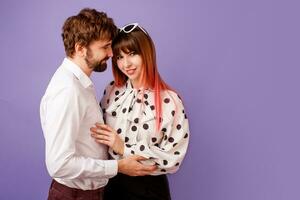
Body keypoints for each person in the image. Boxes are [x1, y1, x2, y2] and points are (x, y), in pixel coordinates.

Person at [40, 10, 156, 200]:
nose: (111, 54)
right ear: (80, 48)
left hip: (90, 192)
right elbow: (59, 164)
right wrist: (118, 167)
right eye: (105, 47)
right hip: (76, 195)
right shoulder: (68, 91)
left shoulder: (80, 84)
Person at [90, 22, 190, 200]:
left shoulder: (171, 101)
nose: (125, 63)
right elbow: (98, 140)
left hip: (150, 190)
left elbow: (173, 158)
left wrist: (123, 147)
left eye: (132, 54)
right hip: (112, 185)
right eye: (119, 57)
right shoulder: (112, 91)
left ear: (146, 53)